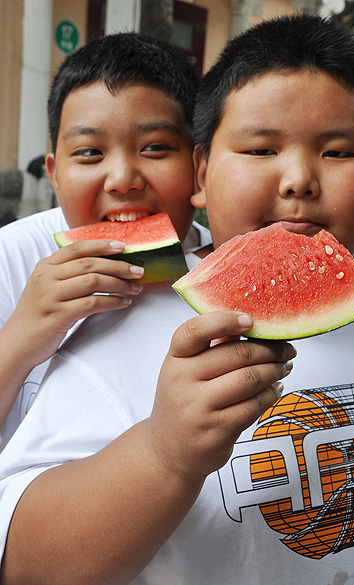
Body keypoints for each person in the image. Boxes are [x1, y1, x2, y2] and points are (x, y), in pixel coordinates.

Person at [0, 12, 354, 585]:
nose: (299, 179)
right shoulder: (111, 334)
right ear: (202, 173)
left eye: (338, 152)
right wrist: (163, 454)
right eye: (261, 150)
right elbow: (22, 563)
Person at [0, 31, 211, 446]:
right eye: (90, 153)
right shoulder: (12, 256)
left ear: (199, 165)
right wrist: (23, 335)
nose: (123, 180)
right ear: (54, 172)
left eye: (154, 148)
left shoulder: (219, 261)